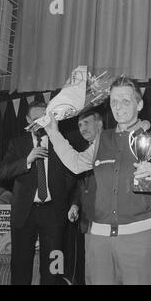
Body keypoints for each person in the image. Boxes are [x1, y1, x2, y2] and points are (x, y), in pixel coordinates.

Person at [44, 76, 151, 285]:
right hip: (99, 240)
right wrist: (53, 132)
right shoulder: (102, 139)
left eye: (125, 100)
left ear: (139, 104)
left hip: (139, 238)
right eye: (114, 101)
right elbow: (76, 163)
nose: (118, 107)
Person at [0, 101, 77, 285]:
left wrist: (66, 200)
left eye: (44, 119)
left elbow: (72, 176)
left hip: (53, 213)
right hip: (24, 213)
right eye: (35, 120)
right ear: (27, 120)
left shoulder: (61, 143)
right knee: (20, 266)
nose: (40, 124)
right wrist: (27, 160)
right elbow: (3, 172)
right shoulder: (17, 144)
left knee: (52, 267)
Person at [65, 110, 103, 284]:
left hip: (106, 223)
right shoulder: (84, 153)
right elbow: (82, 187)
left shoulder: (109, 147)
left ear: (99, 124)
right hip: (87, 223)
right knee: (91, 274)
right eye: (80, 125)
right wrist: (75, 205)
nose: (82, 128)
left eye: (86, 123)